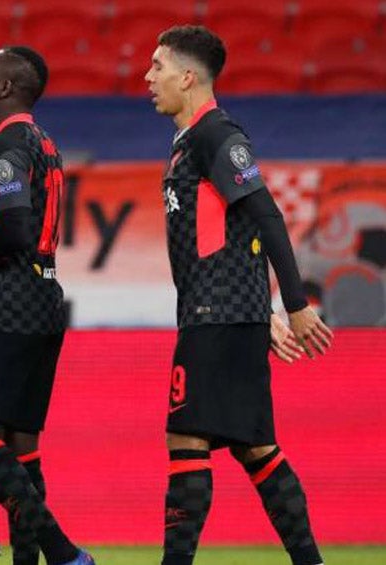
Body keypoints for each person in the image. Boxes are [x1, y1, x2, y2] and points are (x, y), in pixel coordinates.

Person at [144, 25, 333, 565]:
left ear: (187, 76)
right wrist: (262, 308)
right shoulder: (191, 143)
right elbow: (234, 234)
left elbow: (265, 215)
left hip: (215, 318)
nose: (147, 77)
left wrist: (294, 304)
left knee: (185, 441)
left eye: (158, 67)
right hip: (229, 313)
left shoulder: (217, 136)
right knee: (257, 450)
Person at [0, 46, 94, 565]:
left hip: (7, 303)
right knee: (22, 446)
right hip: (44, 300)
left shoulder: (7, 148)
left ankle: (62, 553)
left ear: (7, 88)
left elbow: (12, 228)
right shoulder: (44, 142)